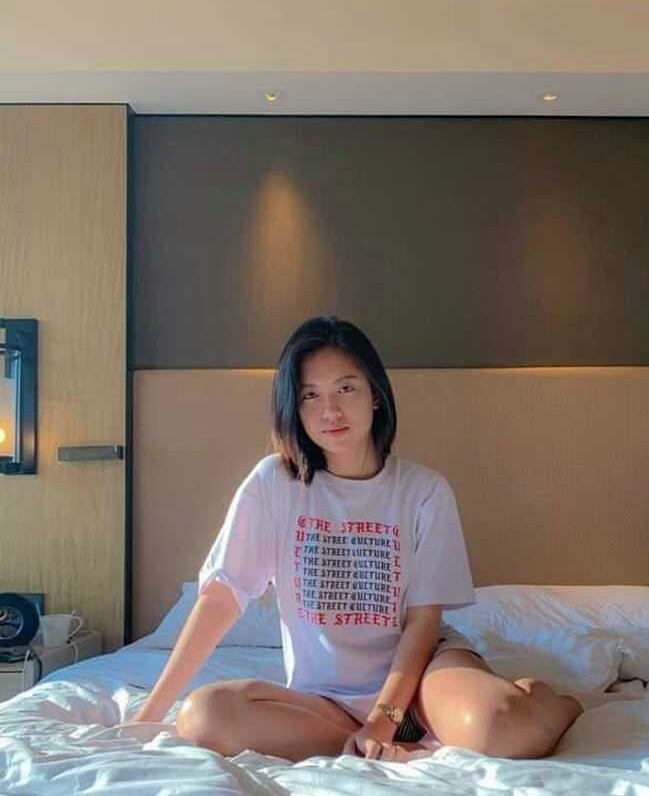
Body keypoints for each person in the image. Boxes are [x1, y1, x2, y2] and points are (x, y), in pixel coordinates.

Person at [131, 316, 582, 762]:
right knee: (204, 717)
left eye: (346, 389)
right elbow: (221, 599)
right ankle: (374, 744)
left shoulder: (423, 491)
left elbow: (423, 623)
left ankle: (547, 701)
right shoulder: (274, 483)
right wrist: (150, 714)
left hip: (424, 685)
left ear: (375, 396)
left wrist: (385, 719)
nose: (330, 411)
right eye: (310, 395)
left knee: (502, 728)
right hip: (325, 699)